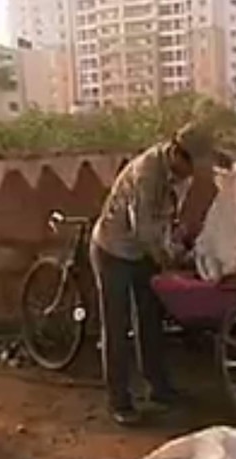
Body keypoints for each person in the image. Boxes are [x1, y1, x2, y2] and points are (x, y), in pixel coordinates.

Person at [90, 122, 217, 426]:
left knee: (150, 322)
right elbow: (144, 231)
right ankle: (119, 401)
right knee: (117, 328)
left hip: (142, 252)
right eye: (189, 167)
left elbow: (215, 158)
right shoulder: (148, 173)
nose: (190, 175)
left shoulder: (180, 161)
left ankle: (158, 388)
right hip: (114, 252)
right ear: (176, 153)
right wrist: (169, 260)